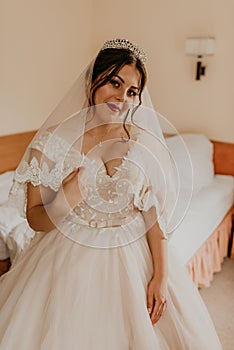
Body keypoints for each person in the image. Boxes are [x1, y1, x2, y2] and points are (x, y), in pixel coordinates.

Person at [0, 39, 222, 349]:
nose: (122, 97)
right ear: (93, 81)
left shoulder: (142, 142)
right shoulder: (51, 142)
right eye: (114, 83)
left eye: (132, 92)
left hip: (136, 258)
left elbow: (153, 217)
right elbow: (36, 218)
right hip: (68, 255)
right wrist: (68, 195)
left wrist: (161, 276)